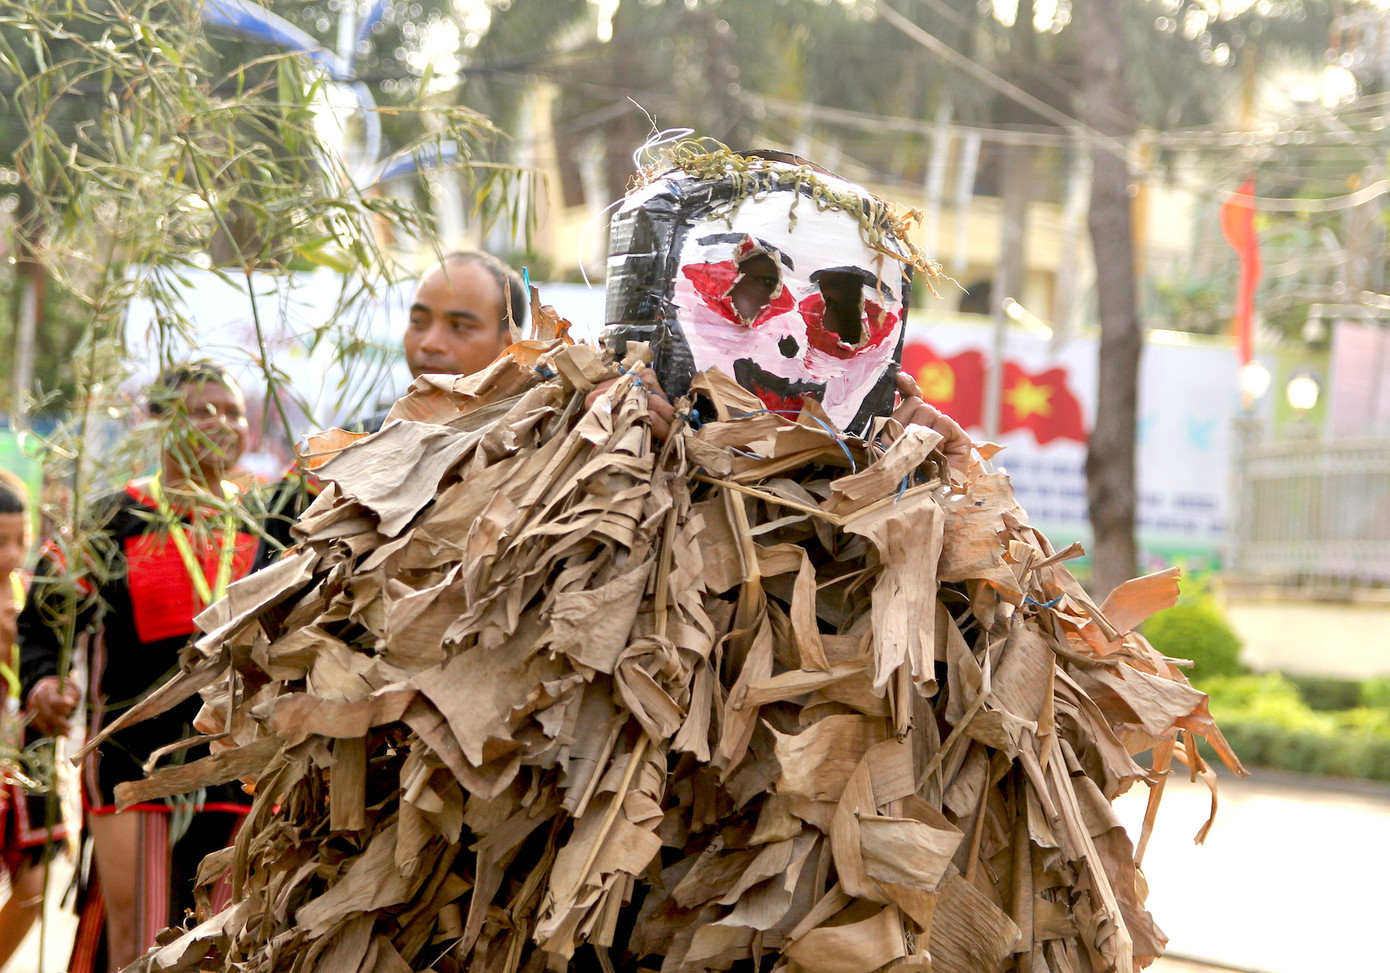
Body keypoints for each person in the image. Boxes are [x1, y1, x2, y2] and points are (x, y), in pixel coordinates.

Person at [19, 363, 260, 973]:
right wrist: (45, 682)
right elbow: (43, 619)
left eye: (233, 412)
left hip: (244, 763)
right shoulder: (109, 520)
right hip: (133, 760)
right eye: (201, 411)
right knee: (140, 934)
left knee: (226, 937)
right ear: (157, 424)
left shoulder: (270, 523)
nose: (222, 424)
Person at [259, 250, 528, 563]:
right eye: (418, 322)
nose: (430, 343)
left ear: (511, 343)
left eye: (460, 326)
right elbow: (271, 577)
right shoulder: (337, 456)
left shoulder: (534, 455)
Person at [0, 469, 70, 970]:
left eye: (19, 539)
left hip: (27, 754)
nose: (11, 554)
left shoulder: (35, 594)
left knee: (36, 886)